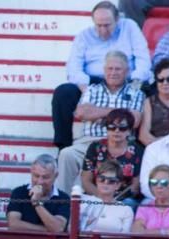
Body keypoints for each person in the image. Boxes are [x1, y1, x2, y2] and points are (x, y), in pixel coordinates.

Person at [51, 2, 150, 151]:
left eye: (107, 25)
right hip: (93, 82)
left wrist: (134, 85)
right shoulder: (84, 36)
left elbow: (143, 59)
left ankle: (141, 147)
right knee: (63, 93)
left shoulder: (129, 27)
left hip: (127, 79)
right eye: (99, 25)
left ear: (117, 20)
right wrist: (88, 91)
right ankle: (63, 147)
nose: (102, 30)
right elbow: (73, 68)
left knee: (153, 92)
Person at [55, 51, 145, 194]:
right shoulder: (92, 90)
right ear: (104, 70)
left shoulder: (136, 93)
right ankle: (62, 204)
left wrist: (97, 112)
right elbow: (81, 113)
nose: (113, 72)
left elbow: (134, 120)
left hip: (119, 144)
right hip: (87, 142)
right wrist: (119, 112)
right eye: (110, 69)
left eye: (118, 69)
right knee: (66, 154)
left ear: (127, 71)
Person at [79, 107, 142, 205]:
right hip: (97, 196)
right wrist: (103, 198)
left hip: (124, 199)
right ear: (107, 129)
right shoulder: (95, 147)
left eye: (122, 128)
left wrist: (114, 201)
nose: (116, 131)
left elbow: (135, 186)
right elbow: (86, 180)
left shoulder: (137, 151)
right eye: (112, 127)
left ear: (129, 131)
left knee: (129, 203)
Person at [6, 155, 71, 233]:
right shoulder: (19, 192)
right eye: (36, 176)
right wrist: (47, 230)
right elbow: (13, 225)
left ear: (56, 175)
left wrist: (37, 203)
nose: (40, 182)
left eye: (45, 177)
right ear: (31, 173)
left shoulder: (63, 198)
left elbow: (58, 228)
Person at [79, 161, 134, 233]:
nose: (105, 183)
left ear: (118, 185)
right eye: (102, 179)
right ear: (96, 181)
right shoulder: (83, 203)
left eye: (111, 181)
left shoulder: (126, 210)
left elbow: (125, 238)